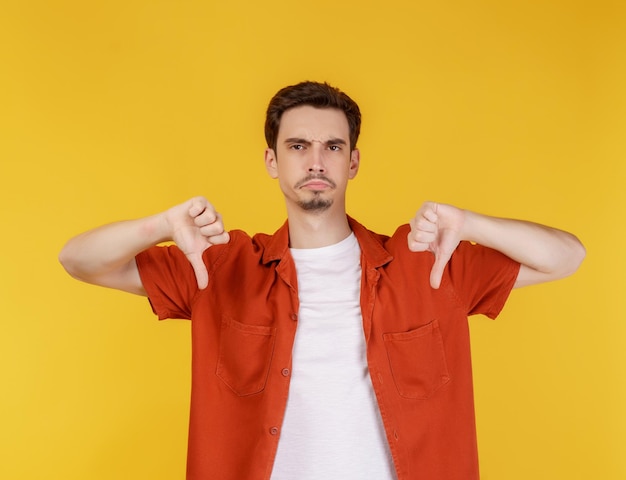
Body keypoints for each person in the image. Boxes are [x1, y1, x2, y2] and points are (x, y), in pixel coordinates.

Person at [59, 81, 585, 480]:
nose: (316, 161)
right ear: (271, 160)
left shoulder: (427, 260)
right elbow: (79, 260)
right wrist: (159, 227)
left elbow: (566, 257)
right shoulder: (219, 265)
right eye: (298, 146)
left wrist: (472, 224)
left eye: (332, 147)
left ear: (353, 161)